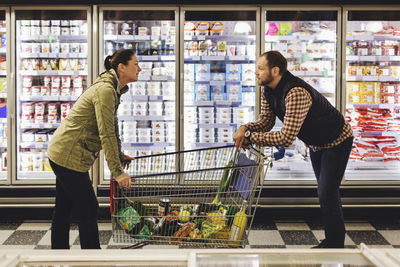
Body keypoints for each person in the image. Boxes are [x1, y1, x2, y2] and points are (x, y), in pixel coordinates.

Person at [233, 51, 353, 248]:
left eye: (261, 68)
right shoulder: (268, 89)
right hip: (316, 143)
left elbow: (286, 137)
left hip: (337, 139)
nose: (256, 72)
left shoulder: (295, 92)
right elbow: (267, 121)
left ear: (275, 70)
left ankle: (335, 242)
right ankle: (333, 240)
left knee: (327, 192)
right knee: (325, 192)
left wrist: (249, 137)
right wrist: (245, 127)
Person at [47, 49, 141, 249]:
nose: (139, 69)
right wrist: (117, 172)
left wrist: (119, 154)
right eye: (136, 64)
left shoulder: (113, 88)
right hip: (68, 154)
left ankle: (58, 254)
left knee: (64, 208)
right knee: (88, 207)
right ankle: (92, 257)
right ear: (121, 67)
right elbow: (105, 133)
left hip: (65, 152)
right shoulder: (106, 90)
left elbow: (112, 127)